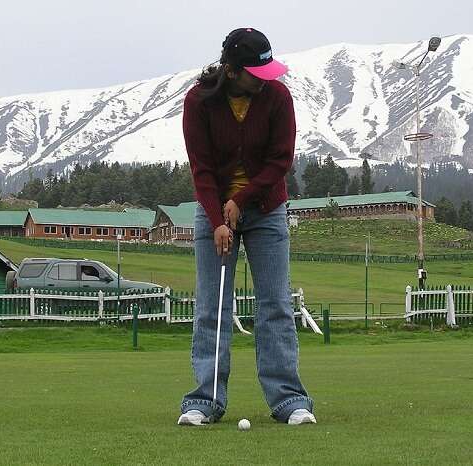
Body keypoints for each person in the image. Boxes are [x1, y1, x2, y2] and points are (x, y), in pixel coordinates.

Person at [177, 28, 315, 426]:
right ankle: (204, 401)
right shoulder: (199, 101)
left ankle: (289, 401)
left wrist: (241, 199)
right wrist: (218, 218)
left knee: (274, 306)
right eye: (258, 71)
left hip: (267, 210)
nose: (266, 78)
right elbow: (201, 169)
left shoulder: (277, 97)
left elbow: (280, 161)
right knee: (211, 307)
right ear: (233, 70)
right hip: (213, 211)